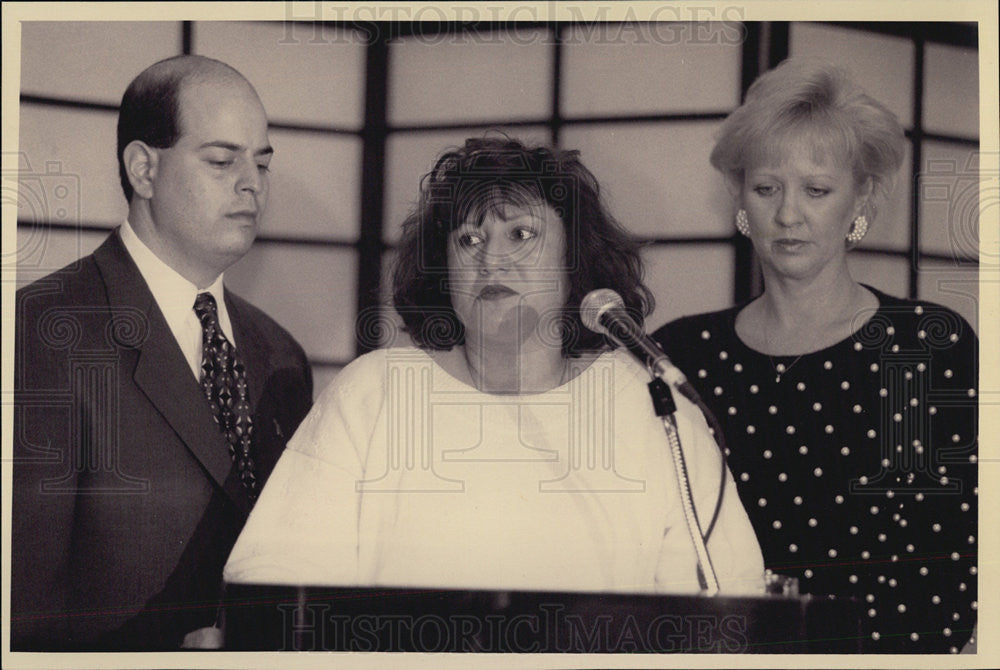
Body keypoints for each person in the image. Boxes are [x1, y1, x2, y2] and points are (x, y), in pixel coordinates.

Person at [224, 137, 763, 601]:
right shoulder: (376, 391)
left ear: (575, 260)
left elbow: (725, 596)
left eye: (521, 235)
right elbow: (274, 576)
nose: (492, 260)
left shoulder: (652, 402)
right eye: (469, 240)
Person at [652, 59, 978, 653]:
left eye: (817, 190)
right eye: (766, 187)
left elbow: (954, 558)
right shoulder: (682, 354)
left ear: (865, 197)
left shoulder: (928, 346)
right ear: (738, 195)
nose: (787, 214)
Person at [11, 55, 313, 650]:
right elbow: (19, 611)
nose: (252, 183)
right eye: (223, 161)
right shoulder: (40, 331)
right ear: (144, 169)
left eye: (262, 162)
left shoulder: (280, 354)